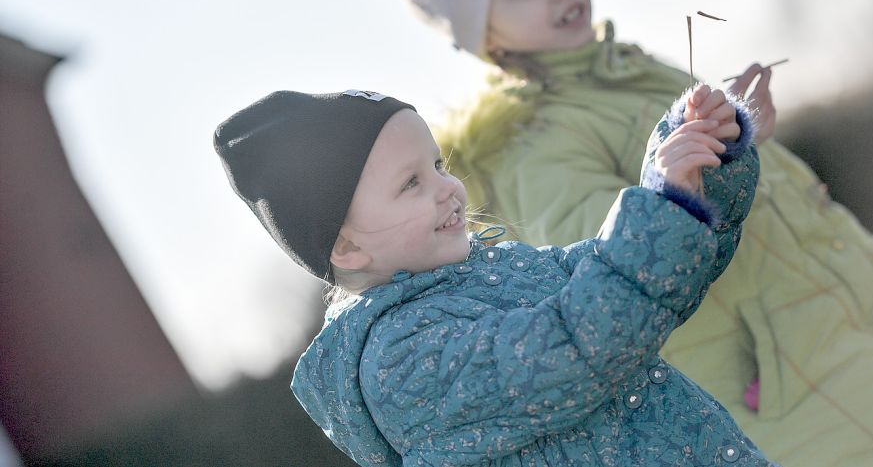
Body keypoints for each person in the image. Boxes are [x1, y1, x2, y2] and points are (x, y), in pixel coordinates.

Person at [385, 0, 873, 465]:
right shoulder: (532, 148)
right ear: (485, 36)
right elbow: (618, 269)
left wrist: (744, 133)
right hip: (791, 393)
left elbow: (736, 185)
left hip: (849, 329)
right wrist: (681, 181)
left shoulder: (636, 73)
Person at [213, 87, 775, 466]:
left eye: (438, 165)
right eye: (411, 183)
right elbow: (579, 345)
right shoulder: (400, 363)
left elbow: (643, 282)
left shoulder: (506, 271)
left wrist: (701, 166)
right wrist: (662, 200)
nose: (447, 187)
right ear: (344, 244)